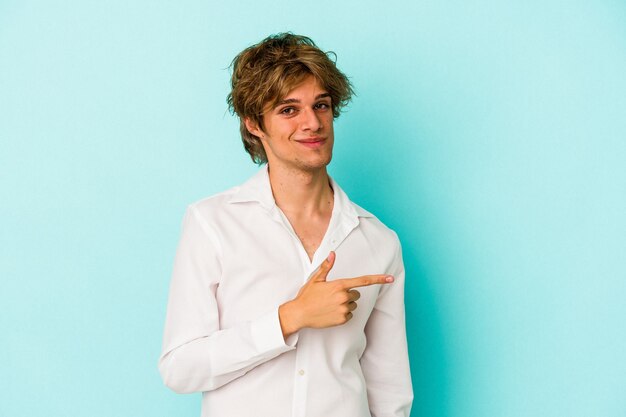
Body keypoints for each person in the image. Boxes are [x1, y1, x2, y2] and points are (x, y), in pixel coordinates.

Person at [158, 33, 413, 417]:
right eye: (288, 110)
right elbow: (180, 367)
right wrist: (289, 318)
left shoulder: (378, 241)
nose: (312, 123)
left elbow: (389, 389)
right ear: (254, 124)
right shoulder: (213, 222)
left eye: (321, 105)